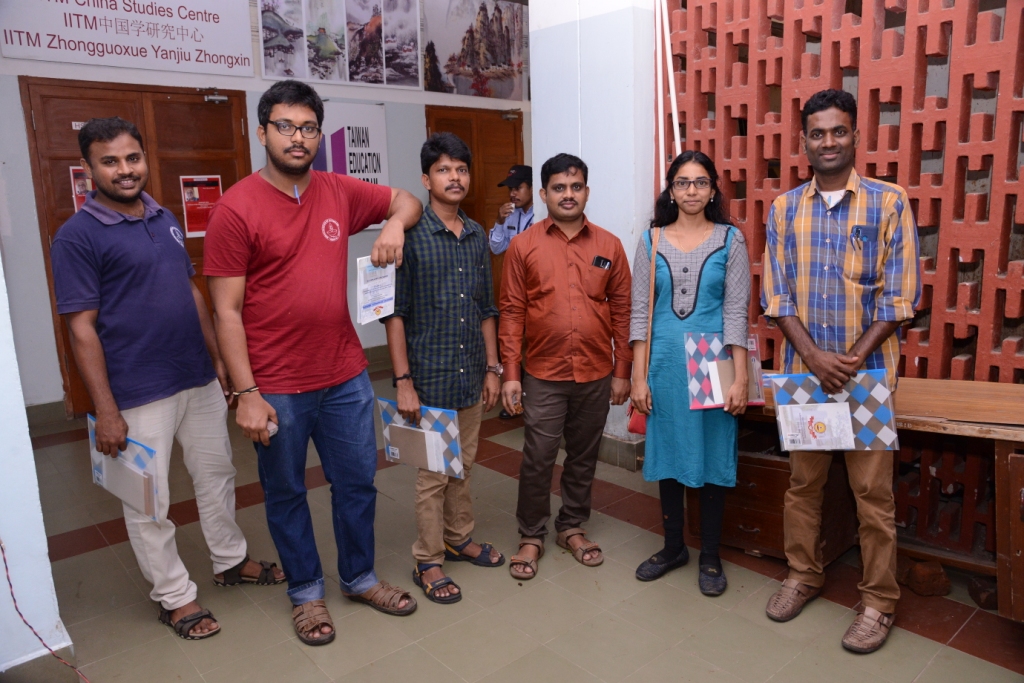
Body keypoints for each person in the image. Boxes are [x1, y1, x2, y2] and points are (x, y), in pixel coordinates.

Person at [204, 80, 423, 646]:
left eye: (307, 128)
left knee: (357, 485)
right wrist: (246, 394)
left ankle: (359, 578)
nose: (297, 138)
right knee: (286, 494)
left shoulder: (336, 190)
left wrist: (393, 224)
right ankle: (305, 592)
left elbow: (407, 200)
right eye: (285, 126)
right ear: (262, 132)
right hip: (276, 385)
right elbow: (226, 312)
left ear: (319, 135)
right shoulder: (236, 209)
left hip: (345, 375)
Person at [51, 117, 285, 642]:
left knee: (217, 475)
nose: (125, 170)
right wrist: (105, 409)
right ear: (88, 169)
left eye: (132, 158)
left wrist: (218, 359)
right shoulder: (76, 237)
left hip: (196, 378)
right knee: (147, 501)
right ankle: (175, 597)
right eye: (110, 161)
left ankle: (229, 561)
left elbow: (192, 292)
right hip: (136, 393)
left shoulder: (163, 216)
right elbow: (81, 330)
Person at [761, 89, 920, 653]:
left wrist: (846, 361)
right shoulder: (785, 209)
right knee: (804, 486)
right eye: (817, 133)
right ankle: (803, 574)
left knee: (872, 495)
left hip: (867, 377)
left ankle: (878, 602)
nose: (828, 141)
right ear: (803, 141)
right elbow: (776, 295)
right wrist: (813, 358)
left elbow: (900, 298)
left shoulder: (889, 202)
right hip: (805, 378)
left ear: (855, 135)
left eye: (838, 131)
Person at [382, 133, 504, 605]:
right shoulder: (410, 238)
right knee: (433, 475)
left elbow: (485, 308)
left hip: (470, 373)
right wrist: (403, 383)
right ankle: (428, 558)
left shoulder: (476, 236)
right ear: (426, 179)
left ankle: (458, 538)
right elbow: (395, 314)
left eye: (461, 169)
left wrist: (492, 368)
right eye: (444, 169)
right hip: (428, 377)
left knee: (463, 466)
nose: (455, 177)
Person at [499, 153, 632, 580]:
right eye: (559, 188)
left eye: (575, 187)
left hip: (596, 372)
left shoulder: (609, 245)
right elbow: (511, 312)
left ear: (587, 192)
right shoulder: (523, 246)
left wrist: (623, 371)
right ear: (544, 194)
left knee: (583, 455)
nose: (568, 195)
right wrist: (511, 374)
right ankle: (531, 534)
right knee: (538, 457)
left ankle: (572, 526)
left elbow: (624, 312)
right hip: (543, 372)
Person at [629, 151, 751, 596]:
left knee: (714, 454)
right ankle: (673, 547)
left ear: (713, 189)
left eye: (701, 182)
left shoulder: (730, 240)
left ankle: (711, 556)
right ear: (671, 190)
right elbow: (640, 313)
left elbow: (736, 312)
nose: (692, 190)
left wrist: (741, 378)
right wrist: (637, 377)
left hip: (711, 360)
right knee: (668, 453)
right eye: (683, 182)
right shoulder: (651, 240)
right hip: (663, 363)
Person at [488, 164, 534, 255]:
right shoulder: (510, 214)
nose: (512, 194)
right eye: (510, 189)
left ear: (532, 189)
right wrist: (500, 222)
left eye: (517, 188)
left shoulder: (544, 214)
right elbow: (496, 249)